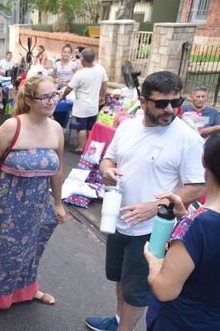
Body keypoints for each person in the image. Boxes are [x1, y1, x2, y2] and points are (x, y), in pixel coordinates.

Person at [85, 71, 206, 331]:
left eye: (176, 102)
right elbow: (109, 159)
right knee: (120, 277)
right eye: (161, 103)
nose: (170, 109)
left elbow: (197, 187)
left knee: (137, 291)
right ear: (143, 102)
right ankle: (118, 320)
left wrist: (154, 208)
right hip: (117, 218)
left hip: (153, 230)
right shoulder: (128, 126)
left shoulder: (188, 139)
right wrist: (106, 170)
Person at [0, 75, 67, 323]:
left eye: (54, 94)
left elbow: (57, 171)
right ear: (29, 99)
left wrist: (58, 203)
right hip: (5, 205)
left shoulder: (56, 129)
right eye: (45, 96)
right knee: (0, 252)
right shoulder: (11, 127)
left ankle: (27, 289)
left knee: (33, 249)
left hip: (37, 206)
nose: (51, 101)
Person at [144, 132, 220, 331]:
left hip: (183, 322)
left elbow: (164, 289)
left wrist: (154, 263)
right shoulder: (196, 223)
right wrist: (183, 216)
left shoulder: (198, 224)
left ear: (203, 160)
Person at [60, 48, 108, 154]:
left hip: (81, 106)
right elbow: (105, 84)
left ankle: (81, 148)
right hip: (93, 105)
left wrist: (63, 96)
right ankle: (90, 148)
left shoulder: (80, 74)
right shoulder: (101, 69)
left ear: (82, 60)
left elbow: (68, 88)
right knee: (90, 127)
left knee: (81, 127)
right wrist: (102, 96)